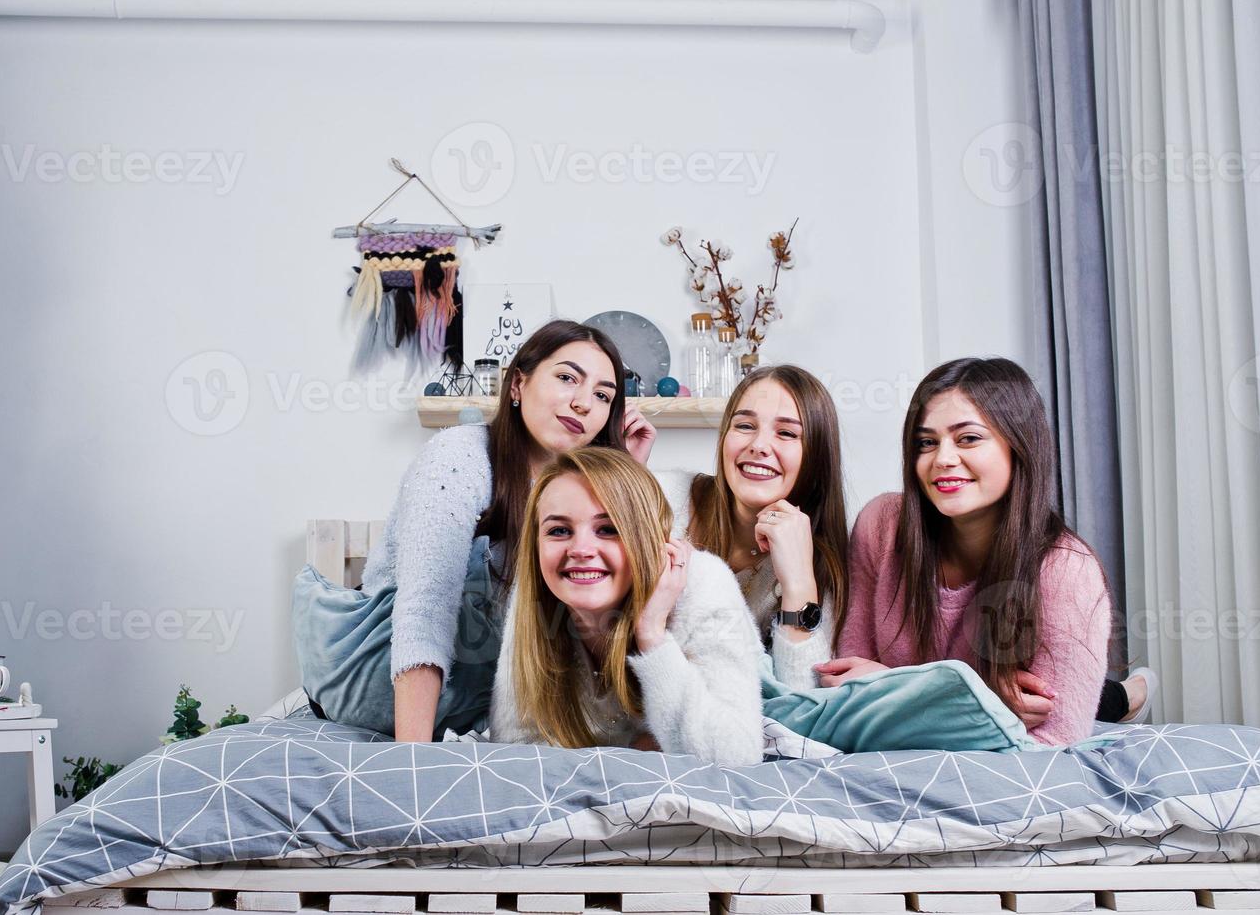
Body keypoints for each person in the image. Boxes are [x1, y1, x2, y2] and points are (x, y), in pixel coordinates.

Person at [296, 319, 657, 741]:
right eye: (565, 378)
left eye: (602, 396)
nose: (583, 403)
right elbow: (424, 611)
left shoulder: (578, 487)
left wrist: (625, 478)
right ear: (517, 385)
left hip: (489, 693)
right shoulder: (459, 455)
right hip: (386, 671)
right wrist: (412, 761)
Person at [820, 357, 1113, 746]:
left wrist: (889, 687)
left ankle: (1124, 696)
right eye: (926, 443)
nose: (942, 459)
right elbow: (844, 693)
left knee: (1104, 700)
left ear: (1019, 446)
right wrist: (975, 701)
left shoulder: (1067, 570)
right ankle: (1122, 697)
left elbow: (1053, 744)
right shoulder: (881, 526)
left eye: (968, 438)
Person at [489, 447, 763, 766]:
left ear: (645, 538)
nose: (580, 550)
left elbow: (735, 761)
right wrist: (633, 755)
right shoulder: (536, 588)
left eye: (608, 529)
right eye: (559, 530)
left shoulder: (703, 581)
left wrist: (652, 637)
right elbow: (515, 749)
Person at [654, 365, 847, 691]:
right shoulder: (664, 499)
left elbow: (801, 699)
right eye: (745, 425)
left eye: (786, 433)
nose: (759, 445)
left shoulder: (822, 562)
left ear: (816, 456)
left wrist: (799, 581)